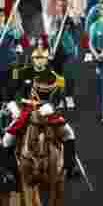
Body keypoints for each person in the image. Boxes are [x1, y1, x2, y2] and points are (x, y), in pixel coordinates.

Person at [6, 36, 78, 180]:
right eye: (37, 57)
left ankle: (69, 167)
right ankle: (9, 171)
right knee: (7, 140)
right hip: (26, 110)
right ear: (33, 58)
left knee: (69, 133)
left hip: (47, 110)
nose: (39, 60)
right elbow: (13, 92)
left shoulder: (54, 76)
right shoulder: (21, 72)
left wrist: (50, 106)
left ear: (46, 59)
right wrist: (14, 107)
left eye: (42, 57)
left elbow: (57, 96)